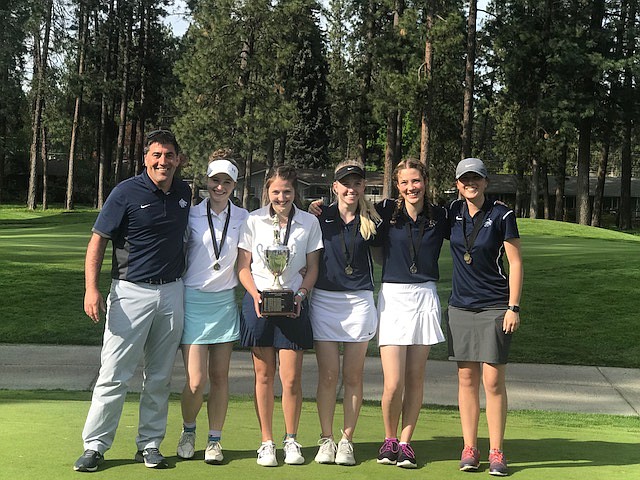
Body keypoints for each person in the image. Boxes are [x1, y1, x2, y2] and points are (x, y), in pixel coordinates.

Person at [73, 129, 191, 472]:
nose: (163, 162)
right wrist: (91, 289)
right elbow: (98, 241)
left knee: (159, 376)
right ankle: (95, 446)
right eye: (156, 155)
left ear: (178, 159)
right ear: (145, 159)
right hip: (129, 292)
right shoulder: (125, 192)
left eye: (169, 155)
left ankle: (150, 444)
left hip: (172, 292)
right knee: (113, 374)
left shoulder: (184, 193)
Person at [237, 165, 323, 467]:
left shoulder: (309, 222)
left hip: (294, 304)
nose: (282, 196)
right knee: (263, 376)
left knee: (291, 379)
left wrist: (300, 294)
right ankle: (266, 442)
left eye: (287, 191)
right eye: (276, 191)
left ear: (294, 192)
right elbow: (243, 267)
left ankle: (291, 439)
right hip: (260, 303)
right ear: (268, 192)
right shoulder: (253, 220)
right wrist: (256, 294)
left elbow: (312, 267)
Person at [447, 157, 523, 477]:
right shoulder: (451, 211)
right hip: (460, 306)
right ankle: (469, 448)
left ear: (486, 181)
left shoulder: (502, 213)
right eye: (465, 179)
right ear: (457, 184)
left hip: (495, 305)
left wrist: (513, 307)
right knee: (466, 378)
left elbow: (516, 263)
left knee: (492, 380)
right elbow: (410, 209)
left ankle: (496, 451)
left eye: (476, 178)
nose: (470, 183)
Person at [374, 158, 448, 468]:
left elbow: (473, 218)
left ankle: (405, 442)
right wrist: (317, 208)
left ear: (425, 181)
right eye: (404, 182)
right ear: (397, 185)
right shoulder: (384, 211)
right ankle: (389, 439)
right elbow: (347, 209)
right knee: (393, 382)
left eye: (415, 181)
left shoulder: (441, 215)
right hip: (393, 297)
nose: (410, 187)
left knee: (415, 377)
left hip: (424, 297)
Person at [175, 153, 249, 464]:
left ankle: (215, 440)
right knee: (196, 380)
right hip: (192, 300)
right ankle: (188, 430)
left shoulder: (245, 217)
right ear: (207, 181)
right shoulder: (190, 215)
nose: (220, 186)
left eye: (227, 182)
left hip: (224, 303)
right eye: (215, 180)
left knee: (220, 377)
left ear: (235, 185)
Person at [310, 160, 381, 466]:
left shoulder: (374, 218)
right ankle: (326, 439)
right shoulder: (318, 216)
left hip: (360, 302)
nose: (351, 189)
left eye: (357, 183)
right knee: (328, 376)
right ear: (335, 186)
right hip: (325, 301)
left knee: (353, 376)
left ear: (363, 187)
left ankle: (346, 440)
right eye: (345, 183)